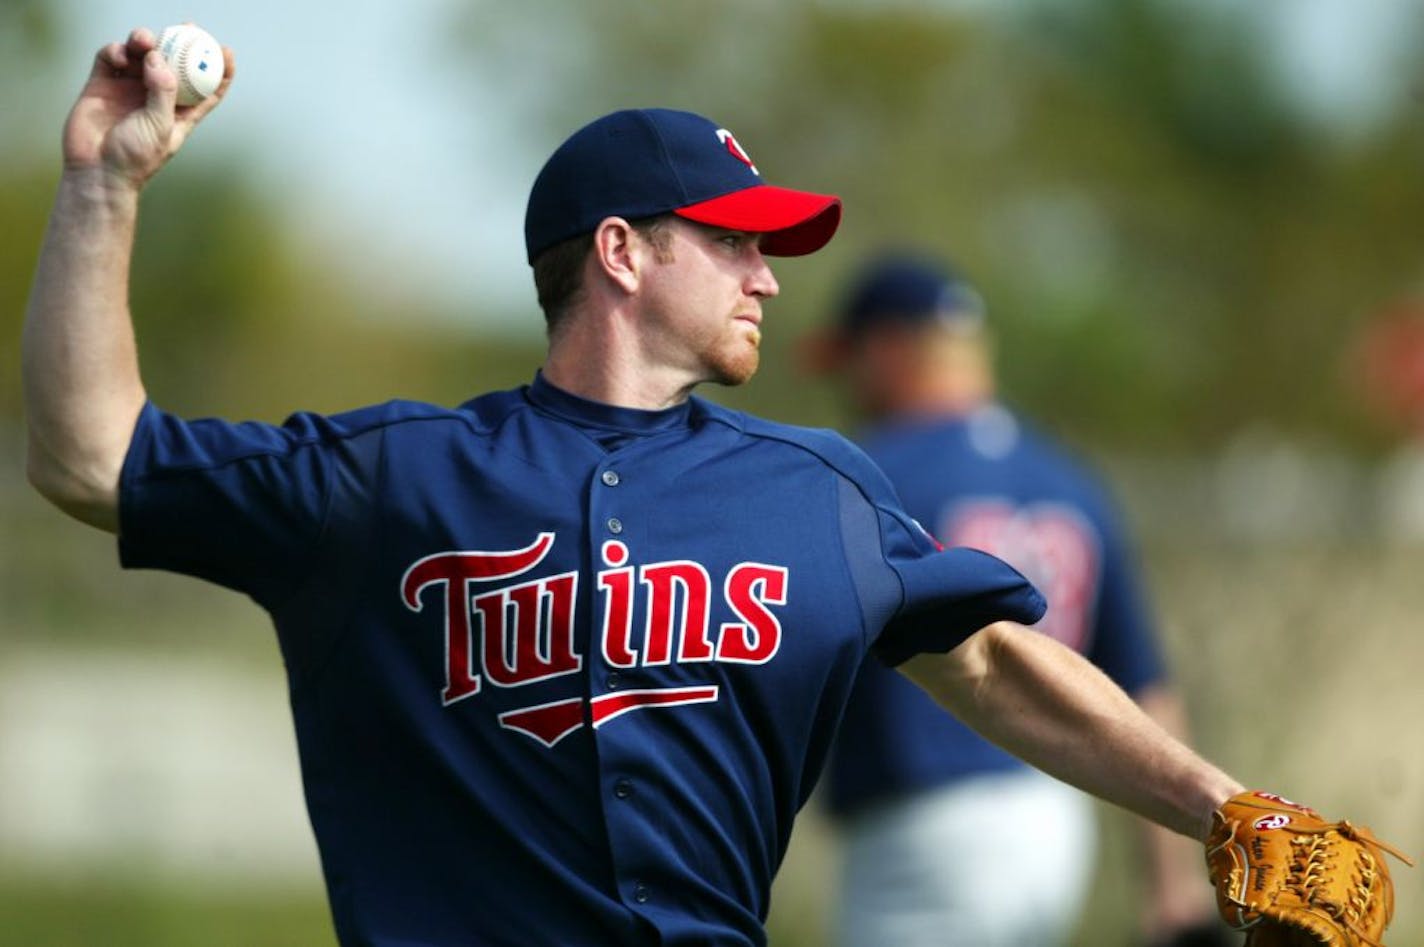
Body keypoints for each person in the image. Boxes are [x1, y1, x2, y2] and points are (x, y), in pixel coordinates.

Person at [22, 27, 1250, 947]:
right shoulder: (389, 476)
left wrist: (1225, 811)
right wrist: (101, 184)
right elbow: (89, 457)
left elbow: (987, 663)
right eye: (730, 240)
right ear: (620, 251)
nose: (764, 276)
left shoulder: (814, 490)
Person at [810, 254, 1228, 947]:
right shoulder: (1070, 479)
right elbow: (1145, 688)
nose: (846, 383)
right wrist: (1172, 886)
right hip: (1054, 815)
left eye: (849, 360)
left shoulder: (874, 471)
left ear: (886, 348)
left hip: (924, 818)